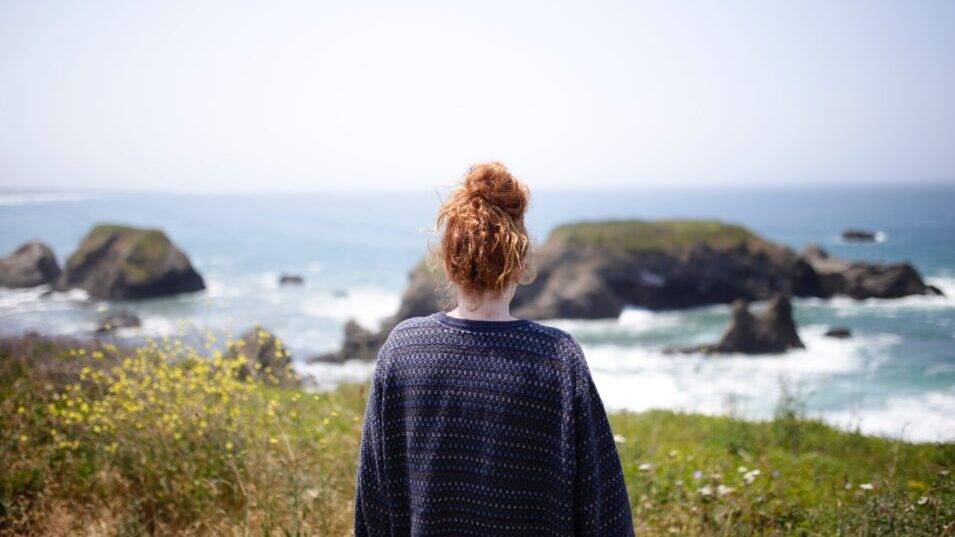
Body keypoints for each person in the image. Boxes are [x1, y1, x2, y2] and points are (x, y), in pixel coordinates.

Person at [354, 162, 634, 536]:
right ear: (520, 265)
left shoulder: (403, 351)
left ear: (450, 264)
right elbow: (603, 511)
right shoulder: (557, 357)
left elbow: (373, 503)